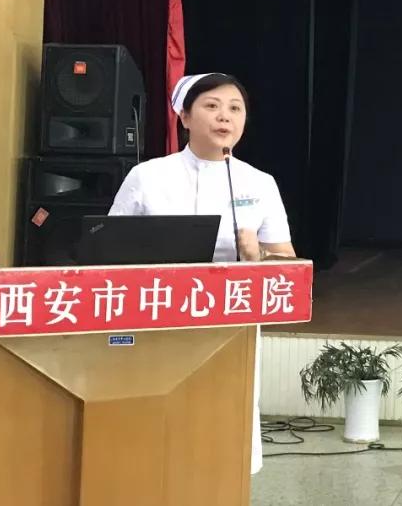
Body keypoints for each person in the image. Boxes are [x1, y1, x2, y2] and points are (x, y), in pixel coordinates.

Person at [109, 72, 295, 475]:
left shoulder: (260, 183)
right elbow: (107, 251)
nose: (224, 116)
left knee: (222, 434)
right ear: (185, 117)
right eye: (211, 106)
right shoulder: (148, 176)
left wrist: (257, 255)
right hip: (157, 322)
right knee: (156, 436)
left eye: (235, 108)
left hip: (231, 327)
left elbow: (287, 266)